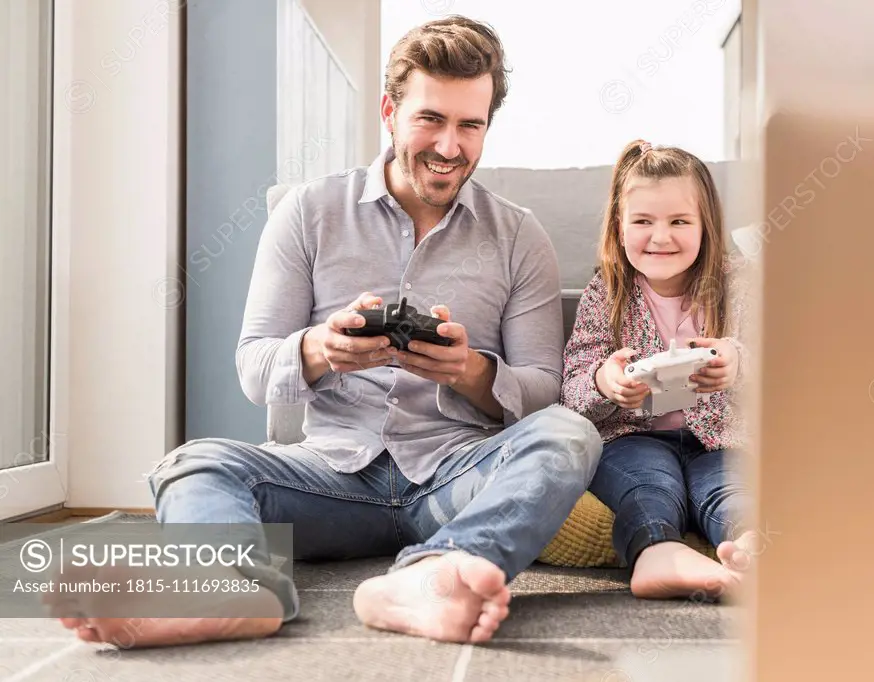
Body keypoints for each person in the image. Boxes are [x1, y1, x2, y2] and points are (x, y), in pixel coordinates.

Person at [51, 15, 602, 647]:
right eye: (431, 119)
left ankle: (436, 576)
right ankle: (233, 593)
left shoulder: (518, 236)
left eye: (469, 125)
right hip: (330, 479)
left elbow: (543, 390)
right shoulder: (309, 213)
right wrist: (321, 350)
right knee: (195, 462)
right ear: (389, 112)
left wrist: (468, 371)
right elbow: (255, 367)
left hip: (456, 476)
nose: (449, 146)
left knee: (569, 433)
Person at [560, 140, 757, 601]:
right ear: (620, 227)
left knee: (731, 488)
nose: (661, 237)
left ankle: (752, 548)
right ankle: (656, 552)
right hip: (632, 437)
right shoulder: (606, 292)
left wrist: (737, 362)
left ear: (706, 225)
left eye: (679, 222)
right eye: (643, 222)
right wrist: (604, 382)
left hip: (723, 438)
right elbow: (572, 384)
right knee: (648, 486)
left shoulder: (740, 285)